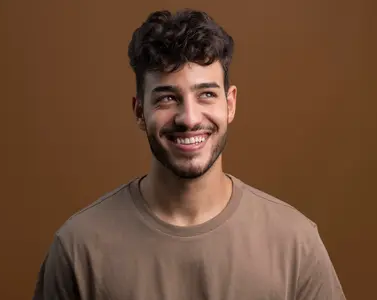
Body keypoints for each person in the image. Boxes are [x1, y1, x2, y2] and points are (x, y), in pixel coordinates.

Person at [33, 9, 346, 300]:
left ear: (230, 103)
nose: (190, 118)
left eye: (206, 94)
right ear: (139, 111)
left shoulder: (295, 244)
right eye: (168, 98)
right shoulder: (79, 248)